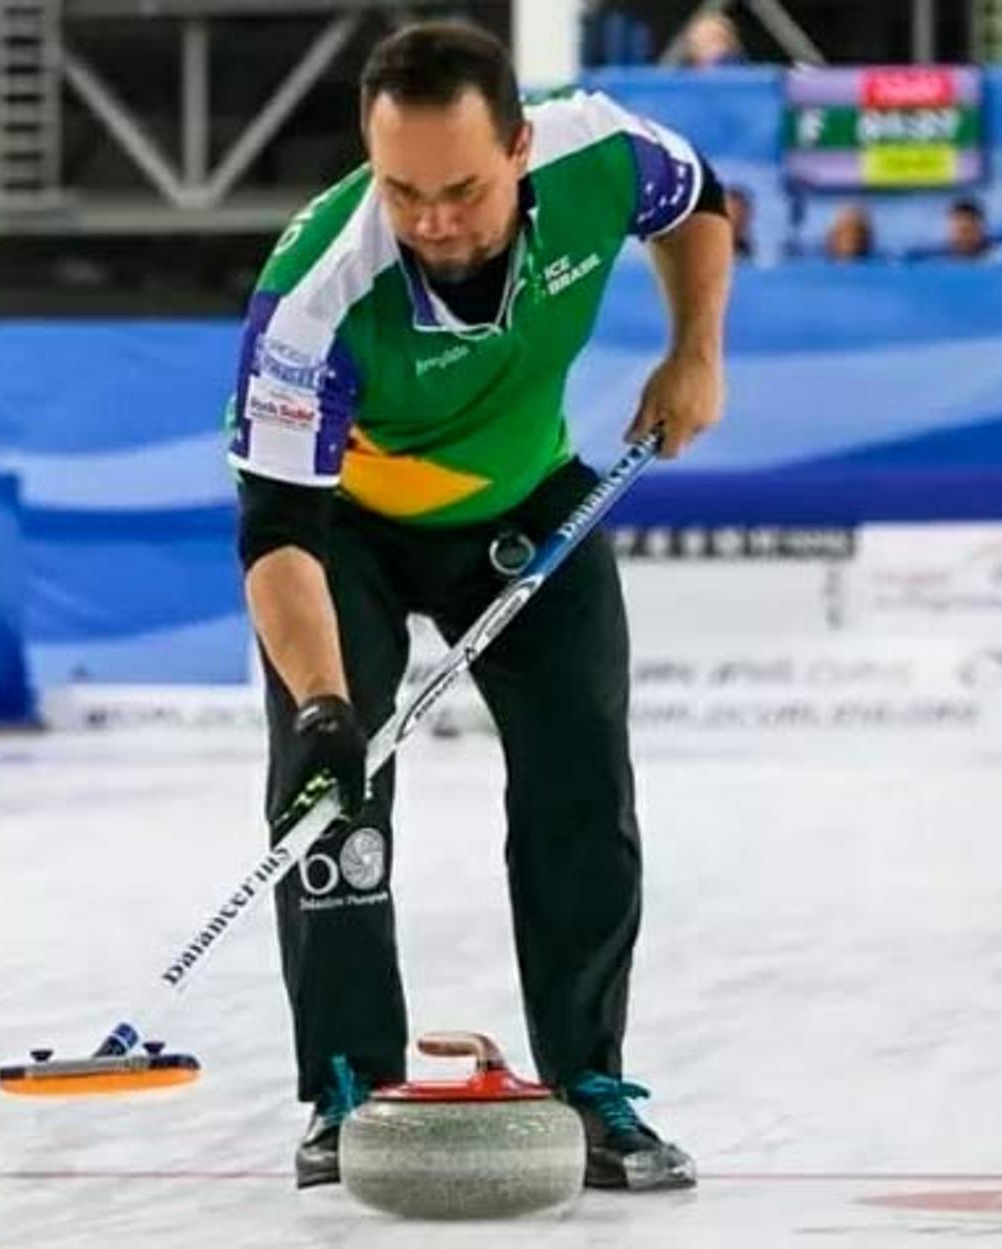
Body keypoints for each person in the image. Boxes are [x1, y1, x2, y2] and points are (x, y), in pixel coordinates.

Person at [225, 20, 730, 1192]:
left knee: (581, 778)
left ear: (518, 146)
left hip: (525, 498)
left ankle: (591, 1082)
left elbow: (703, 199)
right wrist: (319, 707)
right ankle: (346, 1083)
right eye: (402, 191)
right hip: (344, 531)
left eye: (460, 190)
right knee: (330, 795)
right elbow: (277, 532)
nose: (433, 222)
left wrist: (695, 350)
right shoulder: (312, 296)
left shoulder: (598, 152)